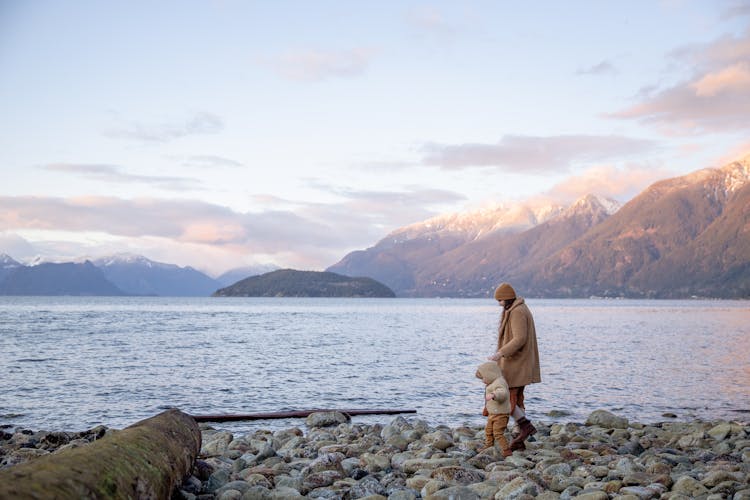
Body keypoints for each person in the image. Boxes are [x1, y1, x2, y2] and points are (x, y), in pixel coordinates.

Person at [487, 282, 541, 451]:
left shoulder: (517, 312)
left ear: (507, 299)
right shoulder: (517, 309)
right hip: (519, 361)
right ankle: (521, 435)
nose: (499, 304)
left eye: (500, 301)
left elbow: (519, 339)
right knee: (517, 398)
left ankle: (525, 427)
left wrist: (500, 353)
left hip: (516, 362)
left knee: (508, 399)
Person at [475, 361, 512, 457]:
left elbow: (503, 393)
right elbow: (489, 401)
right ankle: (488, 444)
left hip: (501, 414)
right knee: (488, 430)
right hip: (493, 414)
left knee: (498, 433)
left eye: (483, 378)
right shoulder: (492, 383)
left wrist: (494, 395)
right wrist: (486, 409)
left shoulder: (499, 382)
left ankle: (506, 450)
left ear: (490, 374)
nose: (483, 381)